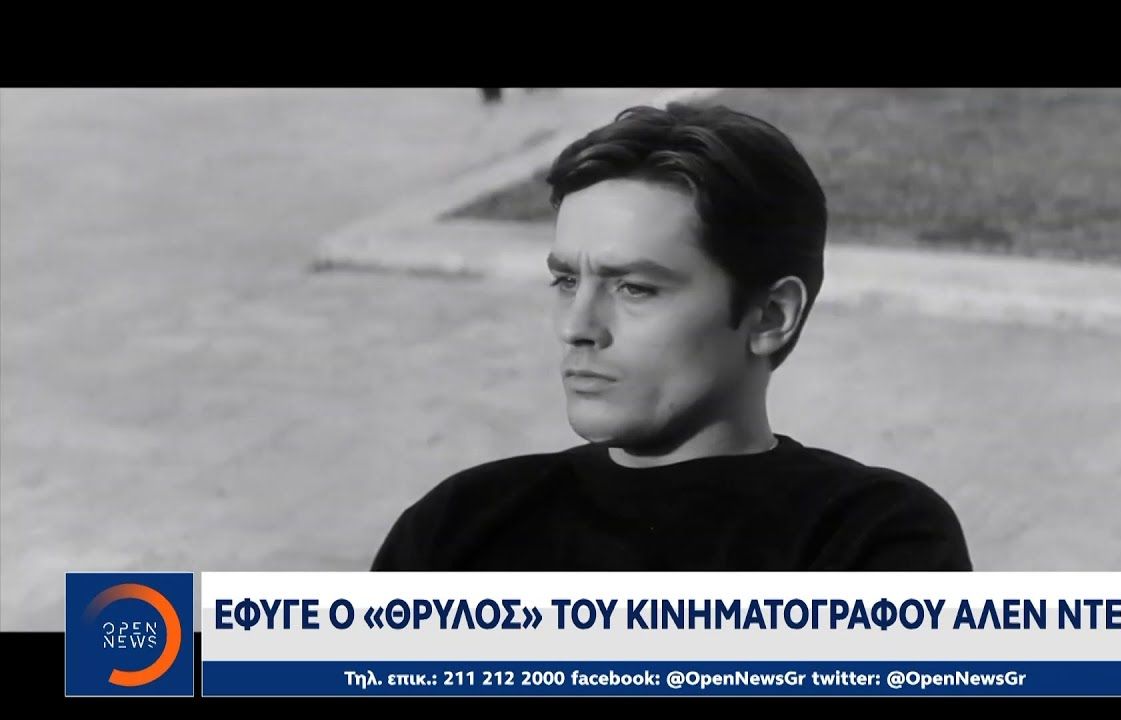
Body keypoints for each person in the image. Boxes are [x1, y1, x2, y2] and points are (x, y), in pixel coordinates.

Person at [372, 102, 972, 571]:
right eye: (566, 280)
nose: (576, 326)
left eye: (634, 288)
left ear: (771, 315)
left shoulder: (870, 538)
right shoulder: (458, 524)